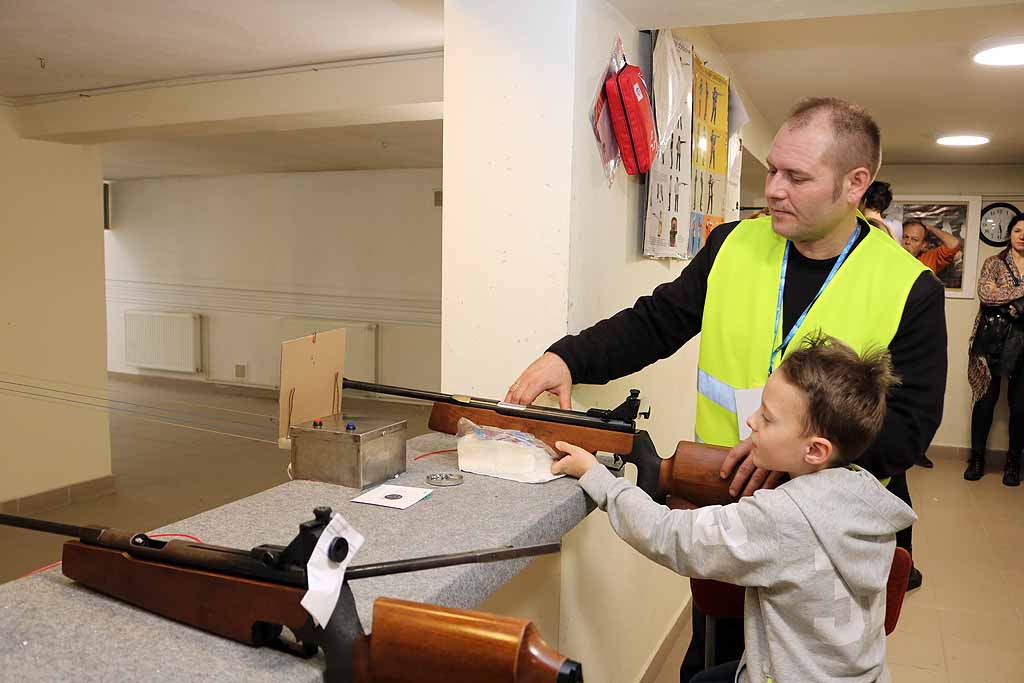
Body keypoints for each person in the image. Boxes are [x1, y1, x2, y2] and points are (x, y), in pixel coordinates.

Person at [505, 97, 946, 678]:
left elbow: (908, 431)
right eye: (773, 172)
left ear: (854, 184)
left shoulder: (909, 287)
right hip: (720, 499)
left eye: (797, 177)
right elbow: (656, 321)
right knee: (715, 654)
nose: (775, 190)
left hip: (822, 535)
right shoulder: (733, 245)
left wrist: (792, 465)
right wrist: (569, 358)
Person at [551, 335, 916, 683]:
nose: (751, 421)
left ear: (815, 451)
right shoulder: (865, 498)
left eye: (768, 418)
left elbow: (670, 536)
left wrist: (598, 478)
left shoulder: (783, 518)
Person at [965, 215, 1024, 486]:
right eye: (1017, 230)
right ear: (1009, 234)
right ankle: (976, 459)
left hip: (1022, 344)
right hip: (991, 340)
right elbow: (986, 295)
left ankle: (1013, 463)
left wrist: (1004, 294)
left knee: (1020, 407)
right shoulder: (994, 262)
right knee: (985, 402)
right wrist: (1019, 294)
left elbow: (997, 295)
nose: (1022, 235)